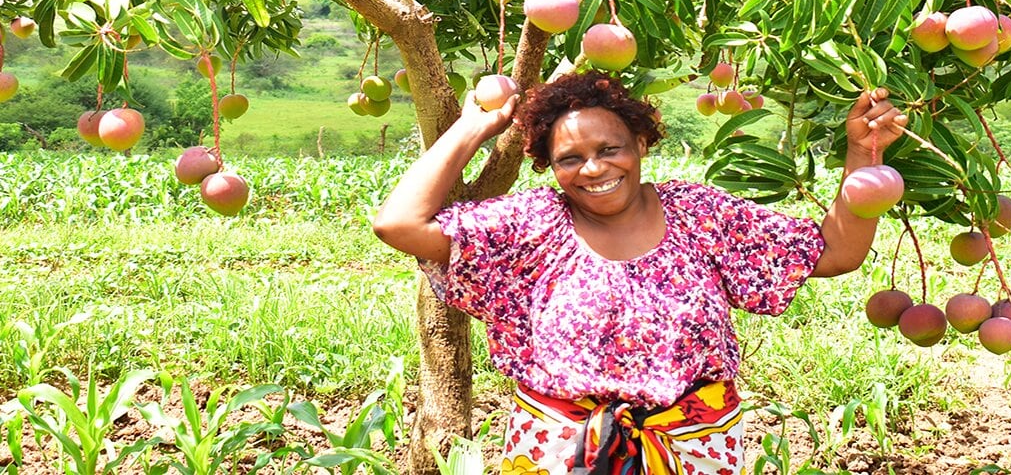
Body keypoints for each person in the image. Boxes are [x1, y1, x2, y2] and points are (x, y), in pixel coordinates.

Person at [373, 70, 908, 475]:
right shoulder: (531, 224)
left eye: (610, 149)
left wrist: (863, 154)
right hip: (561, 449)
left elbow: (835, 251)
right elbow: (398, 223)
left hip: (693, 447)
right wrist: (474, 127)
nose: (593, 168)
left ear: (641, 145)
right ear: (549, 166)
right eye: (569, 158)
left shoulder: (700, 216)